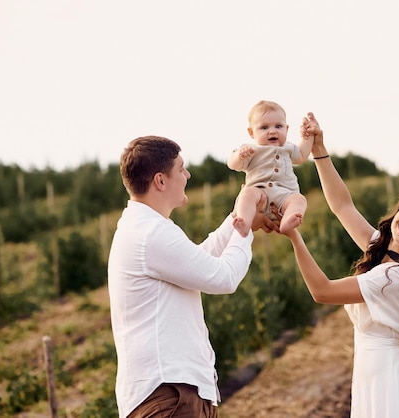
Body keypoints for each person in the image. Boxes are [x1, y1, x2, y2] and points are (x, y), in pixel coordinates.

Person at [281, 113, 399, 417]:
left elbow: (322, 291)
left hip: (388, 380)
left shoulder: (392, 277)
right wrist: (319, 151)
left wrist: (294, 237)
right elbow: (342, 206)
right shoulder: (385, 253)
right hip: (377, 373)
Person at [107, 135, 277, 418]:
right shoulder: (151, 233)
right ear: (160, 181)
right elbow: (223, 277)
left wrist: (239, 215)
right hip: (170, 397)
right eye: (182, 169)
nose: (187, 175)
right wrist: (243, 226)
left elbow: (200, 261)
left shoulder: (146, 228)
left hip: (173, 393)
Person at [228, 100, 313, 236]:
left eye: (278, 126)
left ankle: (288, 220)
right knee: (247, 194)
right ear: (251, 132)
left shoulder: (288, 148)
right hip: (259, 193)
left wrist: (307, 137)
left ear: (287, 129)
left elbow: (302, 155)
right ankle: (244, 221)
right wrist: (239, 156)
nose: (272, 131)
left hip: (284, 195)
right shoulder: (251, 149)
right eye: (264, 127)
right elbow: (232, 164)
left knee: (299, 199)